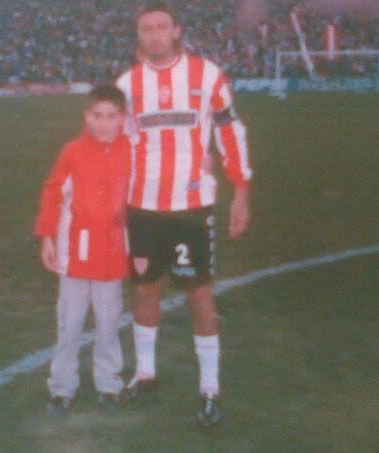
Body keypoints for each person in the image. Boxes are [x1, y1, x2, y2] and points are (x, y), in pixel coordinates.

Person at [116, 1, 253, 427]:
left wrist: (241, 192)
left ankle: (209, 389)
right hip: (142, 207)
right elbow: (117, 144)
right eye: (146, 29)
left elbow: (231, 131)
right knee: (144, 290)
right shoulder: (127, 84)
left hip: (193, 206)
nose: (155, 35)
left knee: (199, 294)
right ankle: (145, 374)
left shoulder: (206, 75)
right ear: (139, 36)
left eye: (162, 27)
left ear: (175, 30)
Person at [33, 85, 131, 417]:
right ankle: (62, 388)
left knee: (108, 323)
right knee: (70, 323)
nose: (104, 123)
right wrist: (47, 235)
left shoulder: (131, 151)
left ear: (123, 119)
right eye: (98, 116)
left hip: (113, 253)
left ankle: (109, 384)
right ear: (87, 117)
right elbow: (52, 192)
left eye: (111, 116)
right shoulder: (73, 152)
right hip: (75, 253)